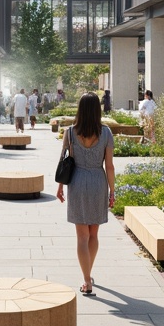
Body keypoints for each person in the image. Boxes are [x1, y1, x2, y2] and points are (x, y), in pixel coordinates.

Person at [56, 92, 115, 296]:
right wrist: (112, 191)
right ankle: (89, 274)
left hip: (77, 181)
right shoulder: (106, 133)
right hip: (99, 181)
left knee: (81, 236)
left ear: (80, 109)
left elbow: (64, 161)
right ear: (98, 110)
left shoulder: (70, 132)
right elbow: (110, 166)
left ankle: (86, 280)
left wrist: (60, 186)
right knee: (94, 234)